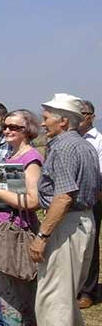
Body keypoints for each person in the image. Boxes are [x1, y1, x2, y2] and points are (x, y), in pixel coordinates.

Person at [32, 94, 101, 325]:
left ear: (62, 122)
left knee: (54, 298)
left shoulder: (63, 148)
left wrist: (42, 236)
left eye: (46, 118)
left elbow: (63, 197)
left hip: (67, 224)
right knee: (65, 295)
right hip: (83, 220)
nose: (42, 123)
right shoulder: (85, 145)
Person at [0, 110, 43, 325]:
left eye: (14, 127)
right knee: (3, 291)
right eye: (6, 126)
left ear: (28, 130)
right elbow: (13, 192)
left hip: (12, 230)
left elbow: (33, 201)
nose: (7, 130)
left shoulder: (31, 158)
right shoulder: (10, 156)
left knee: (15, 291)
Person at [78, 99, 102, 308]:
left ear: (92, 116)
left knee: (90, 246)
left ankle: (88, 291)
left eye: (84, 113)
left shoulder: (98, 141)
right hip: (67, 199)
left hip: (91, 200)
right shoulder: (68, 139)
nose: (80, 117)